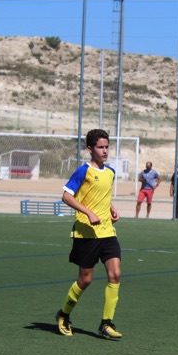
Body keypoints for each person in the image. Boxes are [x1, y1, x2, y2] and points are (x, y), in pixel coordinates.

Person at [55, 129, 124, 340]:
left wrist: (111, 207)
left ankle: (106, 323)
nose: (105, 151)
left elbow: (101, 195)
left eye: (107, 147)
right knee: (85, 280)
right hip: (86, 234)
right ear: (90, 149)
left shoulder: (110, 172)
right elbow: (66, 196)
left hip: (107, 232)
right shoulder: (83, 171)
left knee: (115, 275)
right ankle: (64, 315)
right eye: (101, 147)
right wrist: (88, 212)